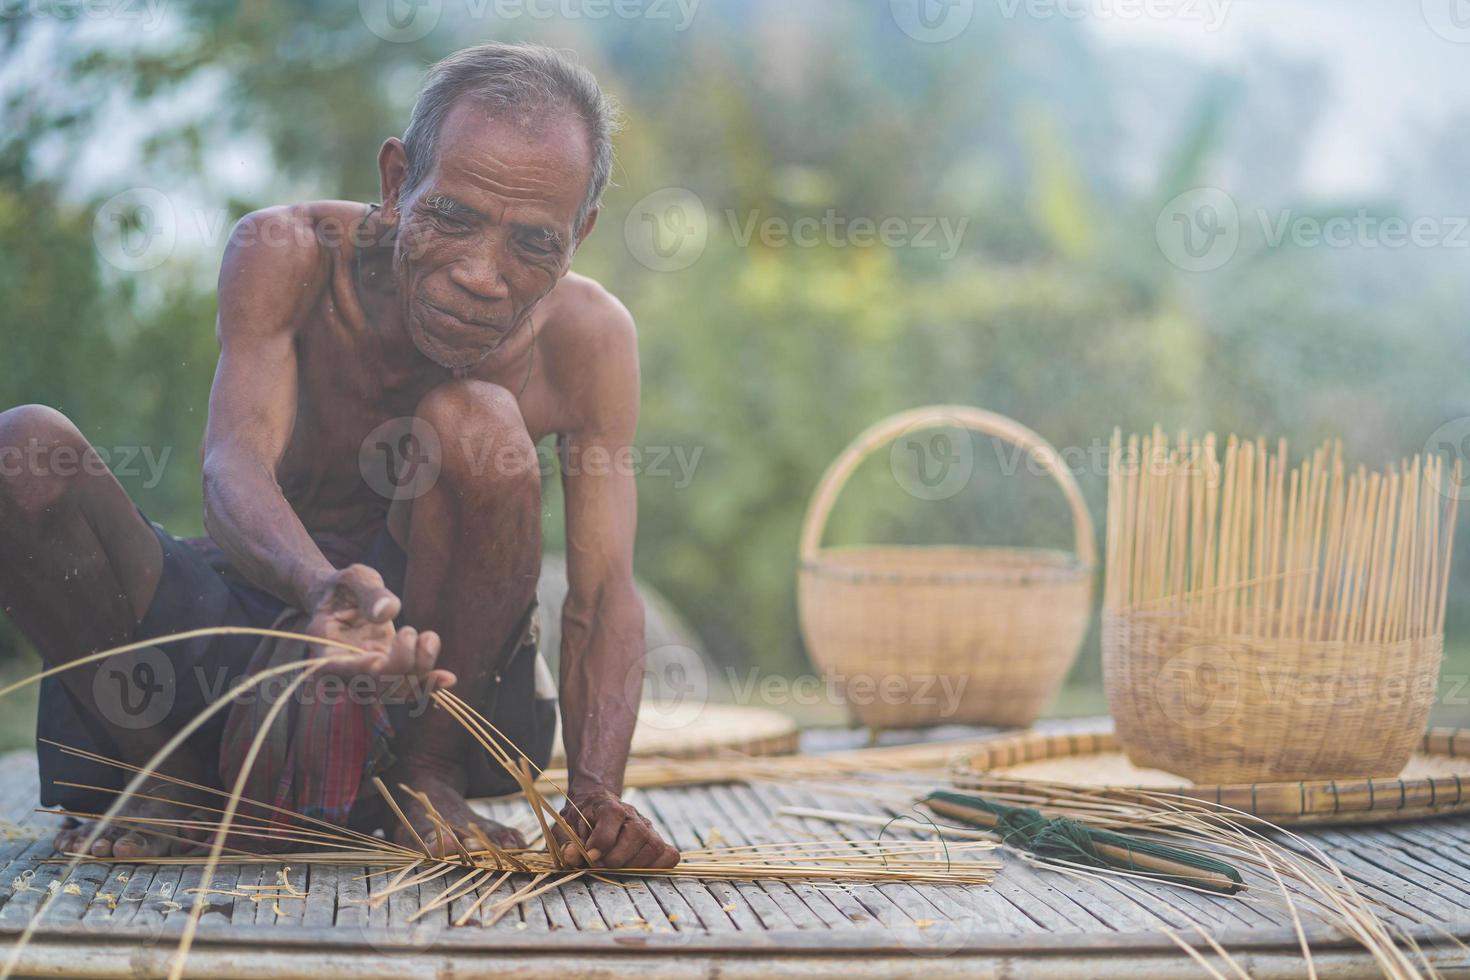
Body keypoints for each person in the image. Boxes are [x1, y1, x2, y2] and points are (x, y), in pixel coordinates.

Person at [0, 42, 678, 870]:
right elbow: (231, 468)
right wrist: (321, 587)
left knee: (479, 420)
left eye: (534, 242)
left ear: (582, 234)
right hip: (240, 649)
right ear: (397, 183)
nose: (480, 275)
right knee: (22, 451)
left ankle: (425, 779)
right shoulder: (288, 255)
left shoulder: (589, 339)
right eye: (454, 216)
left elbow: (604, 592)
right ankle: (167, 783)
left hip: (450, 690)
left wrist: (598, 795)